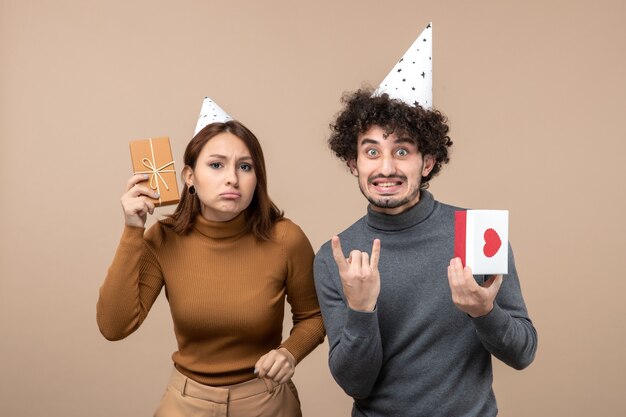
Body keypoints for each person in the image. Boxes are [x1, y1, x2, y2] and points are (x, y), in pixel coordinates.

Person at [313, 89, 537, 417]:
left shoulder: (479, 233)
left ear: (427, 162)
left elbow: (523, 353)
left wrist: (484, 311)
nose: (386, 167)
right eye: (371, 151)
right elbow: (356, 384)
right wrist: (361, 309)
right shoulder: (337, 256)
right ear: (353, 163)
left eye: (402, 150)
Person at [97, 120, 325, 417]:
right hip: (186, 403)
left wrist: (289, 353)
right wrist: (132, 230)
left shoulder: (285, 238)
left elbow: (314, 316)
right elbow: (114, 326)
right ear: (189, 176)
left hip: (265, 402)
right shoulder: (164, 238)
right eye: (216, 165)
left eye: (245, 167)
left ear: (257, 179)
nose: (232, 178)